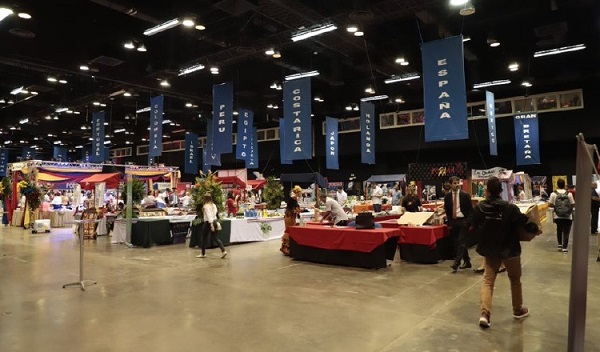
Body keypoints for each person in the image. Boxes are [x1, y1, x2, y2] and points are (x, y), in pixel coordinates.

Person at [472, 176, 529, 328]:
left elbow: (473, 224)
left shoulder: (480, 207)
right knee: (515, 279)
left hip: (491, 251)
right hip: (510, 249)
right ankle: (517, 310)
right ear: (501, 190)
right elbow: (524, 222)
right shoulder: (510, 208)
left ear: (487, 190)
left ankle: (485, 314)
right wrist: (535, 230)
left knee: (488, 281)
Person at [444, 176, 473, 272]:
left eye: (458, 183)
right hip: (454, 221)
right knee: (459, 243)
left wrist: (468, 222)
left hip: (463, 221)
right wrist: (449, 222)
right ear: (450, 184)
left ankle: (457, 262)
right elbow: (447, 210)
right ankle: (467, 261)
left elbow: (470, 210)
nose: (457, 185)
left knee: (461, 242)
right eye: (454, 183)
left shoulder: (465, 195)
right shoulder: (447, 197)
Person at [196, 193, 227, 259]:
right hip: (215, 221)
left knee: (203, 238)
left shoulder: (206, 206)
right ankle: (223, 251)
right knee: (215, 238)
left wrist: (211, 224)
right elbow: (214, 214)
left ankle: (203, 254)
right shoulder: (213, 205)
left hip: (208, 223)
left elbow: (208, 215)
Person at [549, 178, 575, 253]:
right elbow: (573, 204)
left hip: (557, 215)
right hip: (568, 216)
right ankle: (565, 248)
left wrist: (556, 207)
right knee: (566, 231)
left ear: (557, 185)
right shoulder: (569, 194)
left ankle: (560, 245)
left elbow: (549, 204)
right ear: (564, 185)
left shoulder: (553, 194)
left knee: (559, 229)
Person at [280, 186, 302, 256]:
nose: (300, 194)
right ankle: (286, 248)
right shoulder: (293, 197)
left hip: (291, 216)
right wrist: (297, 210)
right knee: (289, 231)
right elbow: (293, 208)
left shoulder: (294, 198)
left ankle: (287, 248)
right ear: (297, 192)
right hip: (289, 216)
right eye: (300, 193)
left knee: (290, 231)